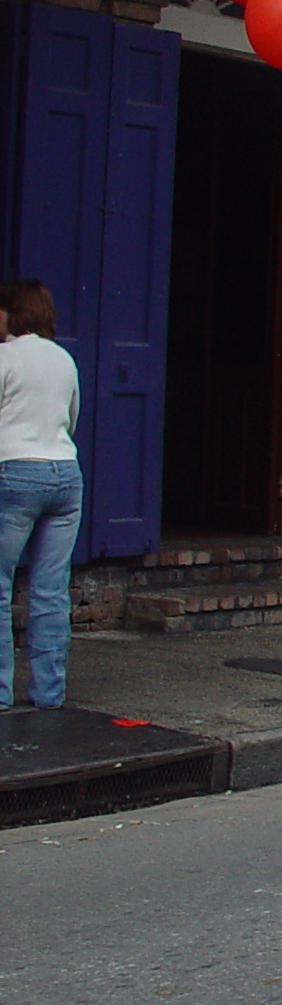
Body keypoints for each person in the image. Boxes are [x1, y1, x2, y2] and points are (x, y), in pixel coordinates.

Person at [0, 280, 84, 710]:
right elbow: (71, 418)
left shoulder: (3, 357)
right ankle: (49, 694)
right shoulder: (64, 359)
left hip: (14, 472)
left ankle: (0, 692)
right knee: (51, 590)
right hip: (65, 475)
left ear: (11, 313)